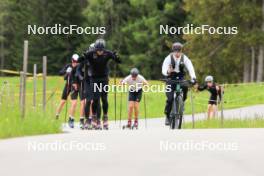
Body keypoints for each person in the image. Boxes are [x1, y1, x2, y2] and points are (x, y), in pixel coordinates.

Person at [78, 38, 121, 130]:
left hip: (104, 78)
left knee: (104, 99)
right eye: (98, 50)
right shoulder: (91, 53)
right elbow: (79, 60)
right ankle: (93, 117)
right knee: (96, 99)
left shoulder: (107, 53)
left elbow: (118, 61)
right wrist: (82, 56)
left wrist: (116, 57)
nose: (100, 52)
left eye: (101, 50)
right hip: (94, 79)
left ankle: (105, 117)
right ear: (95, 49)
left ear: (104, 49)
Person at [162, 42, 197, 126]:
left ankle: (181, 102)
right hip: (170, 79)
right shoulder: (168, 58)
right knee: (170, 99)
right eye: (175, 51)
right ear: (173, 51)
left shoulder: (184, 58)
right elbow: (164, 69)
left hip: (180, 79)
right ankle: (167, 115)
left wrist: (193, 78)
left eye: (179, 51)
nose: (177, 53)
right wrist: (168, 71)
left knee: (185, 87)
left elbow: (190, 68)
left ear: (181, 51)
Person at [76, 43, 101, 130]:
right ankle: (87, 121)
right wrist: (80, 77)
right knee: (88, 100)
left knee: (97, 101)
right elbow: (78, 70)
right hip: (87, 81)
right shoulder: (85, 57)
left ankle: (98, 120)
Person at [55, 54, 81, 128]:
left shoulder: (78, 67)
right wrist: (66, 71)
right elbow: (60, 73)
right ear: (72, 60)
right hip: (68, 85)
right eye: (74, 61)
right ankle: (56, 115)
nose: (75, 63)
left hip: (74, 86)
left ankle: (71, 119)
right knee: (63, 101)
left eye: (77, 61)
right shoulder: (68, 66)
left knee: (74, 103)